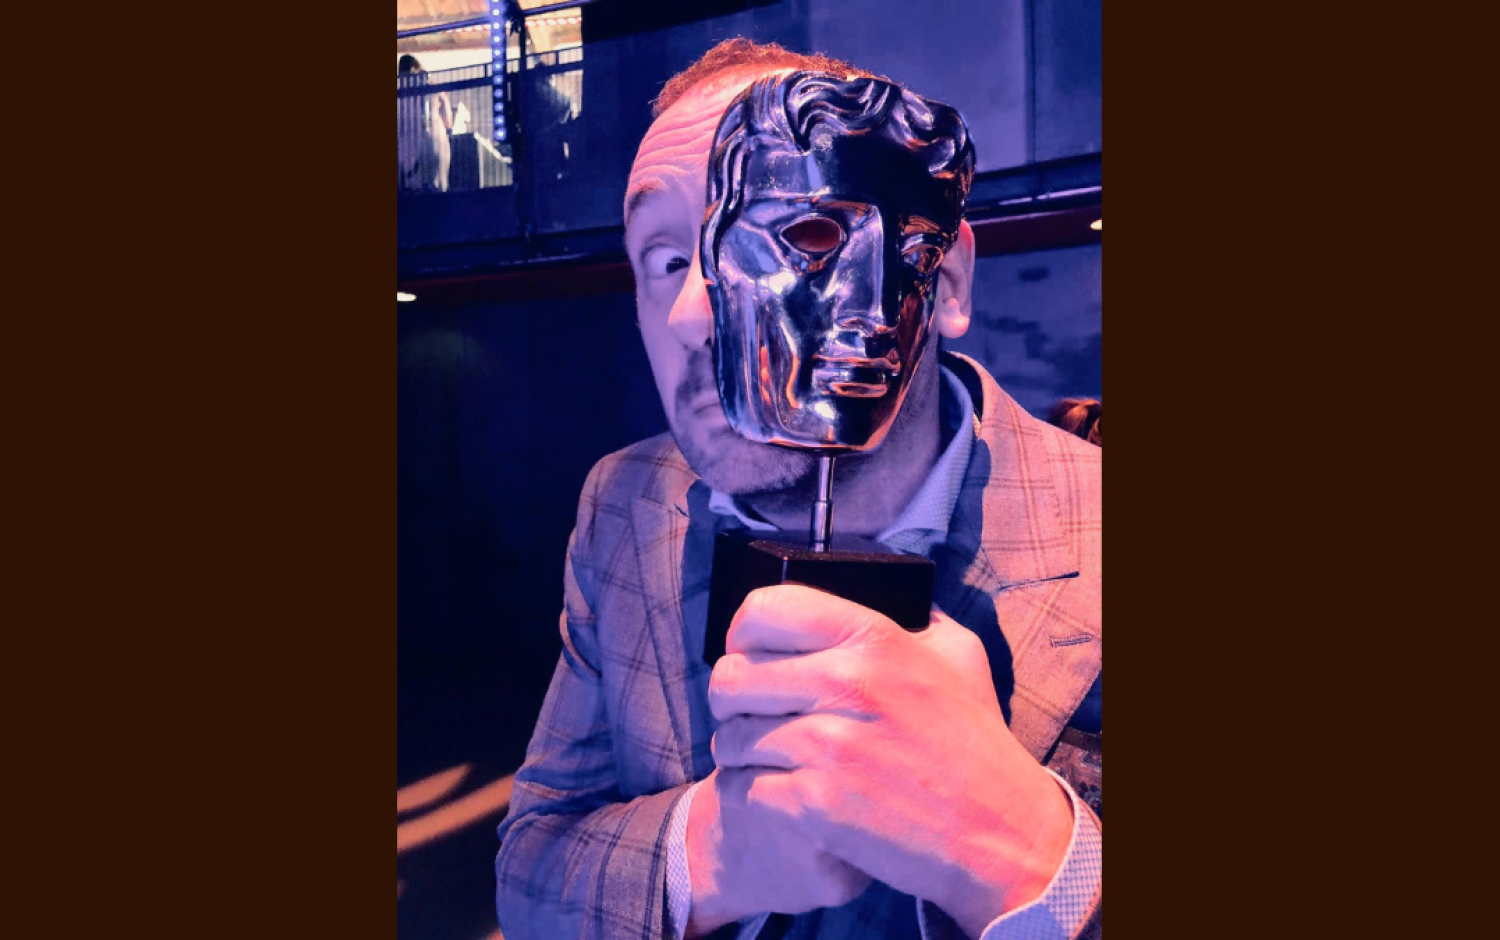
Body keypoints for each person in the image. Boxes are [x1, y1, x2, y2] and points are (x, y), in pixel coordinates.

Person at [495, 39, 1101, 940]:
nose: (693, 311)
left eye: (795, 234)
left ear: (949, 276)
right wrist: (707, 855)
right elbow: (531, 869)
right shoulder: (624, 504)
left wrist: (1038, 861)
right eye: (665, 260)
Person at [398, 54, 452, 193]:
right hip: (436, 139)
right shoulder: (434, 87)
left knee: (412, 187)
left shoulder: (401, 91)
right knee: (437, 184)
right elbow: (448, 120)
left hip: (409, 141)